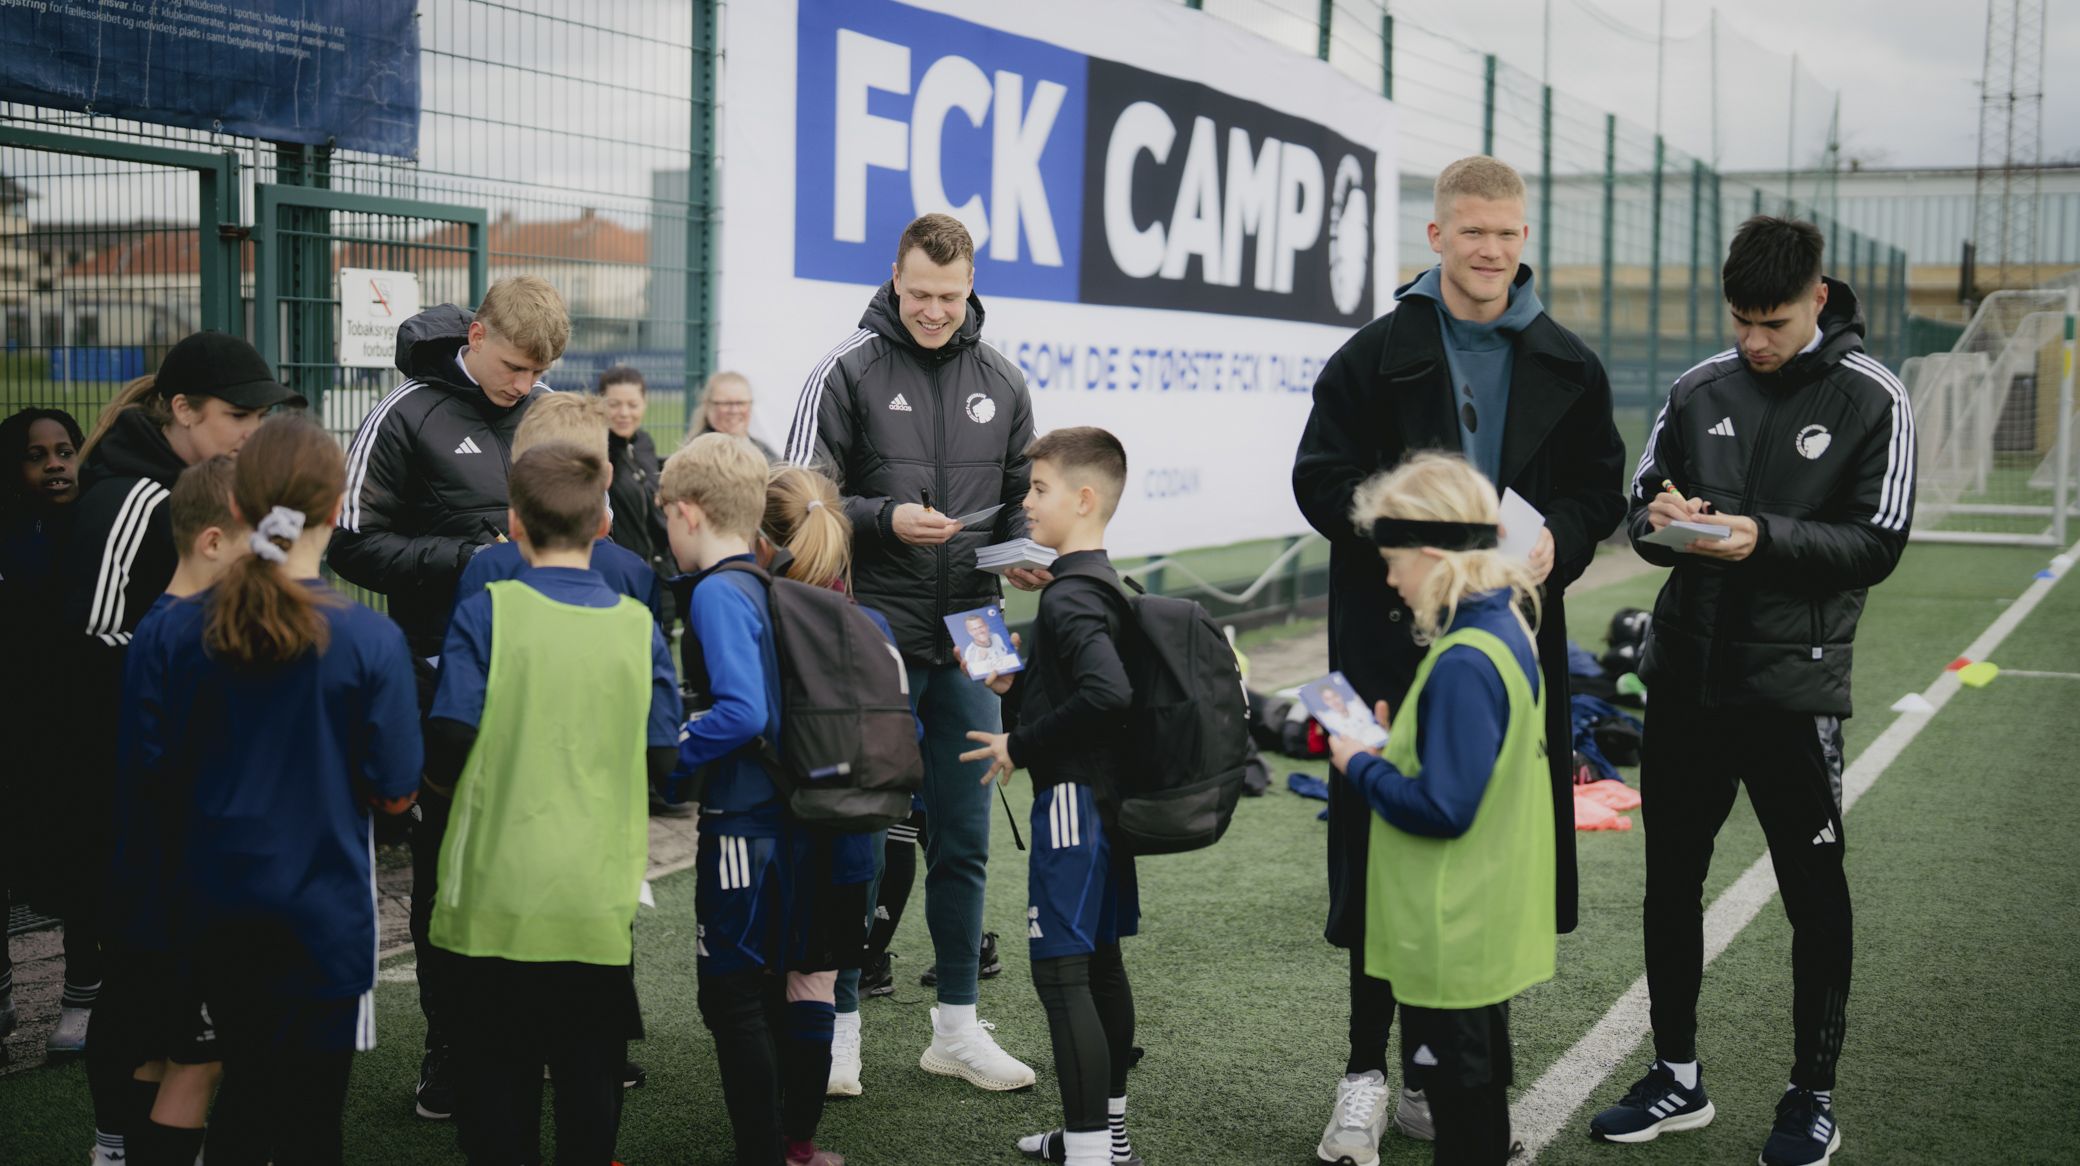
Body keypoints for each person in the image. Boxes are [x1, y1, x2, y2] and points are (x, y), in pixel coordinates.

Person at [1291, 155, 1625, 1165]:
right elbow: (1316, 480)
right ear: (1435, 237)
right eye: (1471, 231)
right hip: (1386, 642)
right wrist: (1423, 538)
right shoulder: (1370, 356)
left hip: (1503, 640)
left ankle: (1461, 1080)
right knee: (1375, 856)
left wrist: (1553, 543)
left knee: (1480, 863)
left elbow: (1595, 491)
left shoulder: (1568, 361)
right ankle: (1363, 1075)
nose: (1490, 250)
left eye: (1508, 233)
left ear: (1526, 240)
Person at [1589, 216, 1915, 1166]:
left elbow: (1878, 542)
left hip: (1793, 691)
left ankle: (1812, 1094)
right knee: (1669, 884)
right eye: (1740, 320)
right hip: (1686, 680)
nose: (1753, 341)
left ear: (1819, 297)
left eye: (1771, 321)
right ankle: (1676, 1077)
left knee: (1814, 894)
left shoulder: (1874, 399)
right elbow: (1641, 504)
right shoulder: (1699, 390)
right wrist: (1663, 519)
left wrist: (1759, 536)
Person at [787, 211, 1040, 1090]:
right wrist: (882, 518)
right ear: (895, 280)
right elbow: (800, 498)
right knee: (859, 834)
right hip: (874, 627)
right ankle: (841, 1026)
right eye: (921, 293)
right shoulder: (845, 370)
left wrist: (1025, 553)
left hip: (973, 625)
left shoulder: (1004, 381)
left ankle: (957, 1027)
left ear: (971, 286)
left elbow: (1019, 502)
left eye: (950, 294)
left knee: (966, 834)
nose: (935, 310)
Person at [140, 415, 421, 1164]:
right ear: (336, 512)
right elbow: (397, 792)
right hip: (321, 919)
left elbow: (153, 770)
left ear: (236, 510)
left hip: (210, 908)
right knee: (307, 1122)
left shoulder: (174, 631)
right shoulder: (368, 637)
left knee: (244, 1101)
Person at [328, 273, 569, 1119]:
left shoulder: (553, 411)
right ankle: (450, 1049)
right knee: (451, 873)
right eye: (511, 367)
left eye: (537, 373)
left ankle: (560, 1036)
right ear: (475, 335)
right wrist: (464, 560)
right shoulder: (405, 415)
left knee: (546, 861)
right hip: (444, 677)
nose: (522, 386)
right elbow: (349, 543)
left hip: (552, 679)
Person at [56, 336, 301, 1165]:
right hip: (124, 797)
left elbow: (277, 572)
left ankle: (154, 1127)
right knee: (135, 986)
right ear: (183, 410)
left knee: (174, 988)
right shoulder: (131, 501)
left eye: (262, 414)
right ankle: (117, 1138)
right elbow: (95, 643)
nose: (252, 429)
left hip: (185, 804)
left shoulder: (210, 492)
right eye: (239, 414)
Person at [426, 441, 679, 1166]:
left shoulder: (490, 608)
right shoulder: (636, 625)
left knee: (495, 1083)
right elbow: (666, 764)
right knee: (588, 1074)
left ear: (514, 523)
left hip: (491, 896)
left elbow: (447, 736)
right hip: (595, 897)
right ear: (604, 522)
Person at [1326, 452, 1555, 1165]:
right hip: (1484, 918)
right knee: (1478, 1101)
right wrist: (1403, 744)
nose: (1390, 579)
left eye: (1395, 561)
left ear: (1430, 556)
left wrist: (1360, 763)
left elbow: (1444, 809)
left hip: (1449, 929)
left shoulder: (1462, 658)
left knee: (1463, 1119)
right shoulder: (1506, 627)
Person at [663, 433, 847, 1165]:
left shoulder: (717, 591)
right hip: (799, 820)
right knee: (790, 982)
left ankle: (764, 1155)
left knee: (732, 995)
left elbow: (742, 712)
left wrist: (669, 755)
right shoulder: (773, 586)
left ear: (687, 514)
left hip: (745, 825)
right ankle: (794, 1148)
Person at [961, 427, 1140, 1166]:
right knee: (1099, 965)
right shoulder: (1101, 582)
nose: (1027, 504)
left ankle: (1092, 1153)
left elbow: (1108, 694)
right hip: (1108, 804)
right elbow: (1083, 689)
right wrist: (1017, 686)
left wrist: (1017, 744)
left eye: (1038, 489)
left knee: (1062, 975)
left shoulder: (1069, 599)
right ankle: (1108, 1139)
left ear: (1084, 498)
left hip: (1072, 807)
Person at [101, 455, 242, 1166]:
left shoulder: (162, 619)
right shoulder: (199, 635)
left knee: (156, 1055)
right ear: (213, 541)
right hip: (190, 897)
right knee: (198, 1067)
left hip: (149, 889)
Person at [754, 464, 889, 1109]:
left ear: (761, 537)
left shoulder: (752, 616)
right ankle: (800, 1140)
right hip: (850, 845)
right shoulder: (874, 627)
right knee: (818, 983)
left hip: (767, 835)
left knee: (758, 985)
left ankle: (763, 1129)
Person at [1, 406, 85, 1040]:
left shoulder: (97, 528)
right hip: (14, 728)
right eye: (37, 455)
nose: (55, 463)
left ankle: (82, 994)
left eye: (65, 450)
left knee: (82, 856)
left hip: (75, 727)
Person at [596, 365, 675, 595]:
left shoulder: (645, 444)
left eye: (632, 405)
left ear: (645, 404)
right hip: (619, 575)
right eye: (614, 404)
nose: (624, 413)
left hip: (661, 572)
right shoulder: (597, 450)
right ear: (600, 404)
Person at [690, 370, 778, 460]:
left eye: (741, 403)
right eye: (726, 403)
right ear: (708, 405)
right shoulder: (697, 454)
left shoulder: (764, 452)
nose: (734, 410)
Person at [959, 612, 1019, 679]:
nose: (979, 631)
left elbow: (1006, 655)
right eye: (974, 629)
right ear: (969, 632)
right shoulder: (970, 651)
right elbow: (974, 675)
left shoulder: (996, 637)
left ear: (987, 626)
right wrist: (981, 660)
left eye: (980, 627)